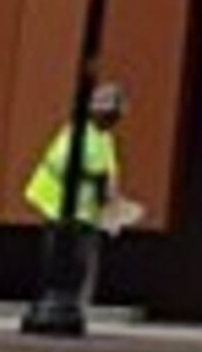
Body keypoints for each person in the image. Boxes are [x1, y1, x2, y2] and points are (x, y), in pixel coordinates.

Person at [23, 80, 132, 302]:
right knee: (65, 259)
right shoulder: (78, 133)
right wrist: (97, 179)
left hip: (84, 210)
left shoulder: (103, 137)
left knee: (79, 259)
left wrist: (111, 196)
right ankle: (60, 299)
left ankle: (71, 299)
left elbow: (108, 168)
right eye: (111, 114)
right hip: (60, 205)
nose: (114, 120)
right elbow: (61, 164)